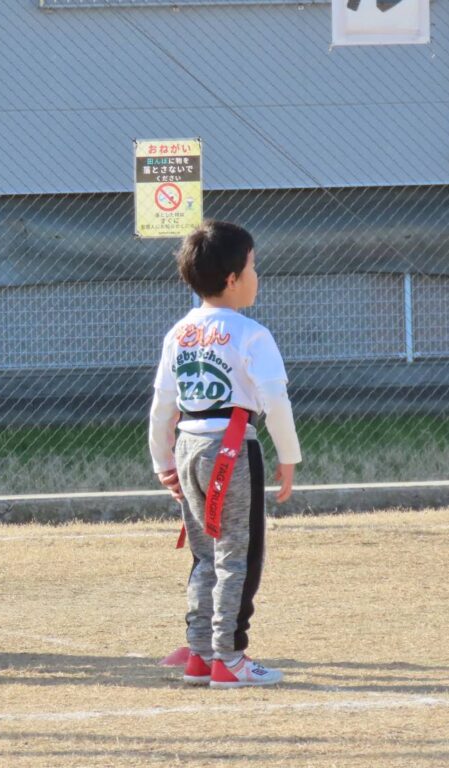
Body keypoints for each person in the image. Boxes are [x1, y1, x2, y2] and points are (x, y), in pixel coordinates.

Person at [148, 220, 301, 688]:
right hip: (232, 447)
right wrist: (288, 457)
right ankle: (230, 658)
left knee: (204, 554)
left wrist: (163, 462)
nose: (257, 276)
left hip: (188, 444)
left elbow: (162, 405)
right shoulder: (251, 333)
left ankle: (200, 654)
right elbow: (275, 399)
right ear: (233, 278)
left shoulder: (179, 332)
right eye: (253, 266)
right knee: (239, 553)